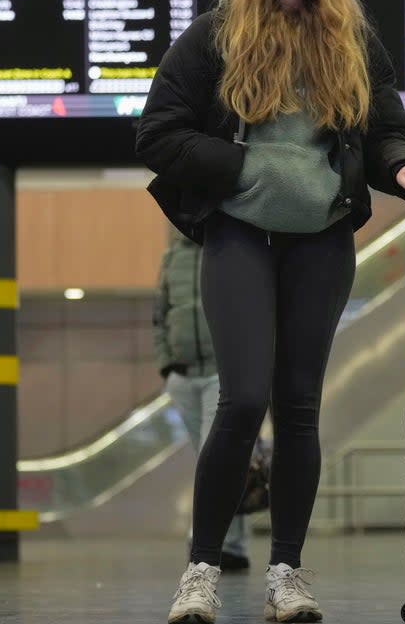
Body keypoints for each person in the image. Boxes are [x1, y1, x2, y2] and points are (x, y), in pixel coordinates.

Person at [136, 0, 405, 624]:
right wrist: (242, 170)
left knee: (299, 410)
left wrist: (404, 167)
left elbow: (387, 126)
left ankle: (287, 576)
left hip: (322, 240)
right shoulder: (215, 36)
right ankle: (200, 574)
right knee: (241, 402)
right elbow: (158, 134)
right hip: (240, 236)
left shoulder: (351, 40)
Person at [154, 230, 251, 570]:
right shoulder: (172, 257)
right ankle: (232, 544)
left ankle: (210, 541)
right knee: (211, 458)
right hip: (182, 375)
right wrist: (166, 365)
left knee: (217, 454)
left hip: (219, 371)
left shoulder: (229, 244)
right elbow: (160, 315)